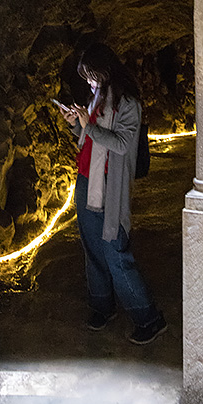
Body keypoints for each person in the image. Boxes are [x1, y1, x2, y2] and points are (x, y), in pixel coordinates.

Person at [58, 43, 166, 345]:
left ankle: (149, 318)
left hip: (109, 185)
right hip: (85, 180)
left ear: (105, 71)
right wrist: (75, 126)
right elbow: (89, 139)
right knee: (92, 248)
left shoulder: (128, 103)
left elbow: (120, 144)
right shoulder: (98, 96)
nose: (89, 82)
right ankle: (102, 307)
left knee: (116, 252)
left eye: (91, 76)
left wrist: (87, 127)